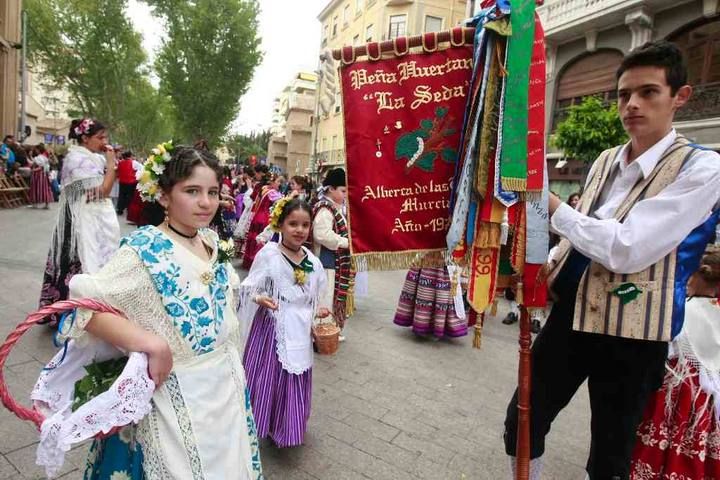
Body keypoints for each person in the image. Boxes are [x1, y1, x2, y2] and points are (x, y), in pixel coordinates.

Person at [503, 41, 720, 479]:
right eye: (624, 95)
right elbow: (589, 227)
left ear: (680, 96)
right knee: (522, 422)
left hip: (637, 331)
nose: (632, 105)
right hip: (572, 312)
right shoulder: (605, 159)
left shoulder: (703, 168)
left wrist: (549, 206)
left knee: (611, 453)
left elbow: (628, 247)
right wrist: (546, 265)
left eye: (648, 92)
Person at [50, 144, 263, 479]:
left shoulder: (209, 240)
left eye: (212, 192)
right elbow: (86, 305)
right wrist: (151, 344)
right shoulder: (144, 249)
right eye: (192, 191)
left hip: (224, 390)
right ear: (164, 196)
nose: (206, 202)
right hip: (173, 394)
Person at [241, 197, 329, 447]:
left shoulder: (313, 261)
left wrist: (319, 311)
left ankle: (288, 427)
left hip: (300, 329)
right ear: (280, 225)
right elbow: (248, 287)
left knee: (294, 378)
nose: (300, 230)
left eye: (305, 224)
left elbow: (316, 295)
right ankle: (263, 422)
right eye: (293, 224)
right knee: (270, 377)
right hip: (272, 327)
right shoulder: (269, 255)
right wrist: (260, 298)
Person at [630, 245, 720, 478]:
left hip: (675, 391)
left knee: (661, 440)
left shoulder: (685, 310)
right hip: (706, 401)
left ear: (702, 274)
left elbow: (669, 348)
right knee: (692, 446)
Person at [38, 118, 120, 326]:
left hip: (82, 218)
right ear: (85, 138)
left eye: (105, 137)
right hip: (78, 223)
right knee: (78, 263)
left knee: (75, 263)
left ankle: (74, 312)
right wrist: (112, 166)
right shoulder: (79, 160)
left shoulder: (90, 157)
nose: (105, 141)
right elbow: (101, 192)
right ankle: (69, 314)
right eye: (100, 137)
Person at [312, 168, 353, 341]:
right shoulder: (325, 209)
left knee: (330, 295)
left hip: (333, 261)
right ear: (331, 189)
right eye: (343, 191)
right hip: (326, 261)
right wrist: (346, 242)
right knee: (325, 296)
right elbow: (321, 235)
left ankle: (329, 329)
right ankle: (321, 332)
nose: (345, 195)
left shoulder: (335, 208)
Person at [394, 265, 467, 339]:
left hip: (445, 265)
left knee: (441, 294)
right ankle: (423, 323)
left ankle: (436, 325)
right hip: (428, 263)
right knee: (426, 292)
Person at [242, 173, 282, 269]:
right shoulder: (272, 192)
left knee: (253, 238)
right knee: (261, 239)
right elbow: (280, 203)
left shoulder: (264, 188)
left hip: (257, 216)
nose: (279, 184)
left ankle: (249, 260)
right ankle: (257, 261)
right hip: (264, 217)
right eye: (278, 181)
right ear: (272, 182)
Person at [29, 144, 54, 209]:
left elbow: (35, 166)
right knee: (45, 188)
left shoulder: (37, 158)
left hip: (37, 175)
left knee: (36, 188)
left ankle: (35, 203)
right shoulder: (45, 157)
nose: (35, 150)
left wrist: (33, 169)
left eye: (36, 149)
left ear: (38, 150)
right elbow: (46, 166)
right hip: (44, 175)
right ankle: (47, 204)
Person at [115, 150, 139, 215]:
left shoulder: (120, 162)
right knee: (130, 196)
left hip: (122, 181)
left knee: (122, 195)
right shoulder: (134, 163)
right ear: (130, 155)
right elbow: (140, 170)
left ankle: (120, 209)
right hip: (131, 182)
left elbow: (118, 170)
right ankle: (129, 210)